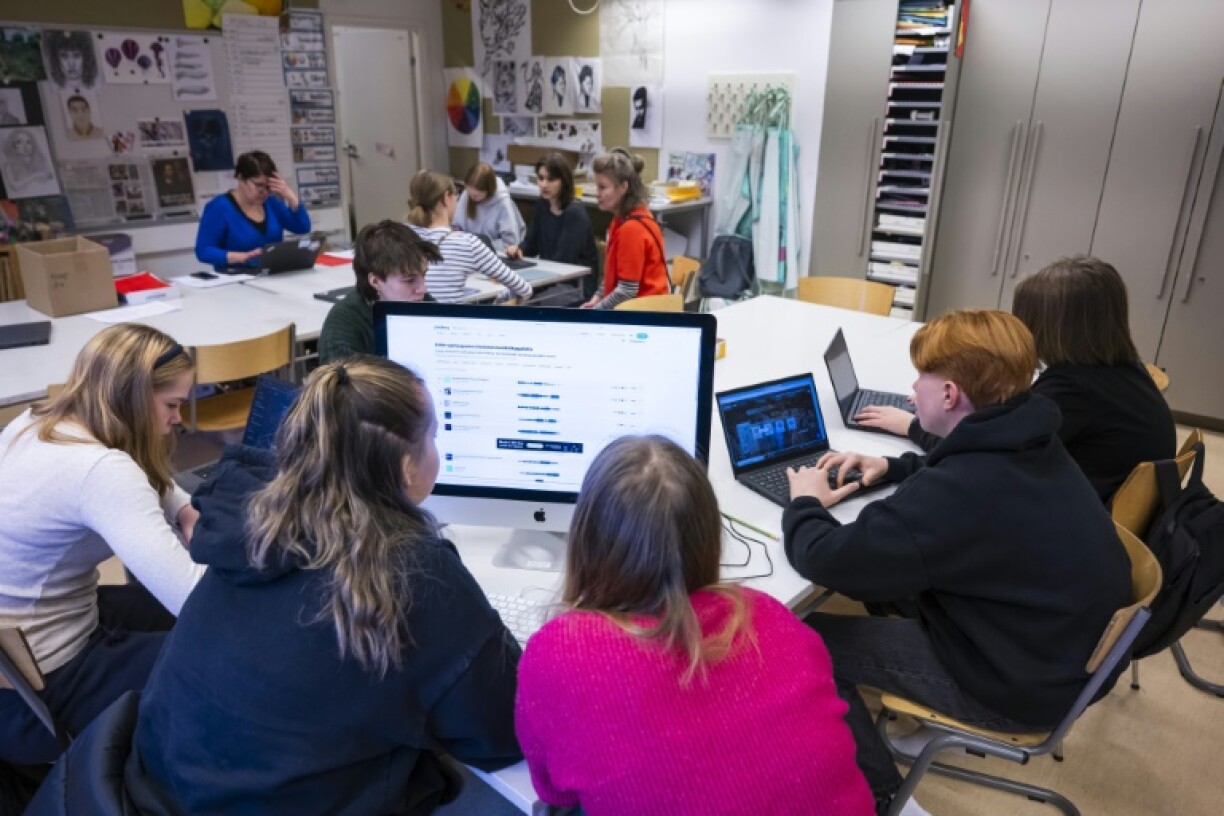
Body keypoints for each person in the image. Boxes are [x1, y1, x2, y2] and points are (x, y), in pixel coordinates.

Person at [126, 357, 523, 814]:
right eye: (432, 436)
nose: (438, 448)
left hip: (164, 790)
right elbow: (504, 732)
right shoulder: (416, 575)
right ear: (405, 466)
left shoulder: (250, 527)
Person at [781, 309, 1132, 814]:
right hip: (1052, 647)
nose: (911, 389)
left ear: (949, 395)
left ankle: (883, 798)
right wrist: (895, 467)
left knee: (804, 639)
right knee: (892, 580)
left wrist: (805, 503)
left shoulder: (960, 494)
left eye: (922, 378)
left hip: (1014, 682)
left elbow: (826, 559)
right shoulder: (1030, 436)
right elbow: (966, 472)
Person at [515, 435, 875, 816]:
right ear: (709, 535)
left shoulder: (562, 650)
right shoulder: (767, 614)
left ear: (588, 537)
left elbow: (554, 790)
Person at [0, 324, 206, 765]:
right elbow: (193, 599)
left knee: (158, 614)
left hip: (16, 656)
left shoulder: (37, 422)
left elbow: (142, 475)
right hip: (45, 684)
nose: (177, 420)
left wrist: (184, 510)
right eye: (171, 405)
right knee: (215, 658)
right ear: (132, 398)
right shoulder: (101, 471)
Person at [853, 256, 1176, 503]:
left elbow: (974, 461)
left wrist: (913, 425)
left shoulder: (1067, 394)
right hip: (1105, 515)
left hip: (1069, 527)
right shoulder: (1121, 370)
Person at [319, 220, 442, 364]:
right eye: (409, 280)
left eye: (424, 274)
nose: (423, 289)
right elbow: (340, 384)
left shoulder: (423, 303)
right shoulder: (344, 323)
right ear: (375, 281)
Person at [405, 170, 532, 303]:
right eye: (456, 195)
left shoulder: (398, 237)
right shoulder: (467, 243)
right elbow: (523, 288)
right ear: (446, 198)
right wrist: (501, 297)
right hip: (449, 322)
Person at [582, 148, 669, 310]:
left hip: (645, 314)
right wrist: (598, 297)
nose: (596, 193)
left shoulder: (632, 228)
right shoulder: (621, 221)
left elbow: (627, 290)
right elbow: (613, 274)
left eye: (602, 187)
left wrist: (597, 311)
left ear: (623, 187)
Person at [194, 150, 311, 269]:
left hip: (271, 274)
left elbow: (302, 227)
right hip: (235, 278)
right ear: (241, 178)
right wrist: (241, 257)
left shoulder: (271, 203)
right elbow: (203, 251)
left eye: (268, 187)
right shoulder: (219, 207)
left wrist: (289, 194)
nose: (265, 192)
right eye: (259, 186)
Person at [505, 153, 597, 297]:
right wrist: (519, 250)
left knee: (526, 302)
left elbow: (563, 263)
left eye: (551, 179)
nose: (544, 185)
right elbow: (531, 245)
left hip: (575, 285)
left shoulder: (575, 213)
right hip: (550, 277)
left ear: (564, 181)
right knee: (509, 294)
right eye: (541, 178)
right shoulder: (542, 205)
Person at [452, 162, 525, 252]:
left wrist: (480, 245)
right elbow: (456, 226)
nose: (473, 195)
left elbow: (511, 243)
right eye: (470, 190)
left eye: (478, 193)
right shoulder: (466, 195)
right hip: (468, 251)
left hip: (495, 252)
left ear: (489, 190)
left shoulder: (502, 202)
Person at [1, 128, 55, 196]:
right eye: (19, 142)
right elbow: (15, 186)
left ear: (33, 145)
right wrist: (36, 175)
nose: (25, 146)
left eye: (28, 142)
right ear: (13, 146)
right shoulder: (9, 165)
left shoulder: (39, 160)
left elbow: (49, 177)